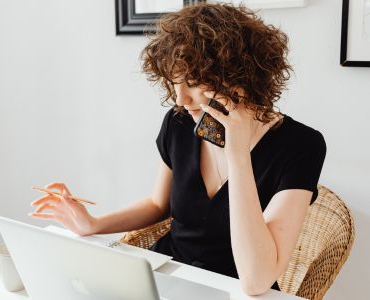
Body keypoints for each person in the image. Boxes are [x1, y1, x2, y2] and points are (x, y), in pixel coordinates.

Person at [29, 2, 326, 296]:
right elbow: (159, 205)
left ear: (240, 77)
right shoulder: (180, 122)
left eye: (193, 82)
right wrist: (92, 224)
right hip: (166, 279)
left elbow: (256, 279)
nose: (180, 98)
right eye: (174, 82)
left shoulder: (301, 146)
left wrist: (237, 155)